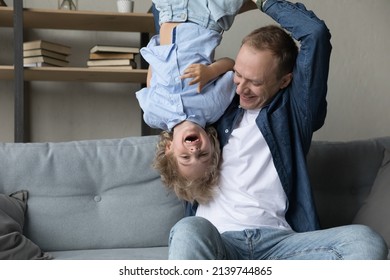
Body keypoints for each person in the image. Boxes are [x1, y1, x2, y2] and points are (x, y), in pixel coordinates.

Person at [168, 0, 388, 259]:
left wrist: (263, 2)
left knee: (365, 242)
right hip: (219, 242)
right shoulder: (217, 107)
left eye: (255, 82)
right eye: (238, 74)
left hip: (279, 247)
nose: (239, 89)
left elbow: (315, 34)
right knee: (187, 229)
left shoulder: (295, 113)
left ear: (284, 81)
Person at [136, 0, 257, 204]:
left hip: (170, 12)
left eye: (186, 158)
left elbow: (151, 78)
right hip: (206, 18)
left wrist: (158, 47)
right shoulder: (212, 108)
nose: (194, 151)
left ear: (169, 148)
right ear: (212, 144)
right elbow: (233, 67)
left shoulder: (153, 114)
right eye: (203, 155)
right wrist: (211, 71)